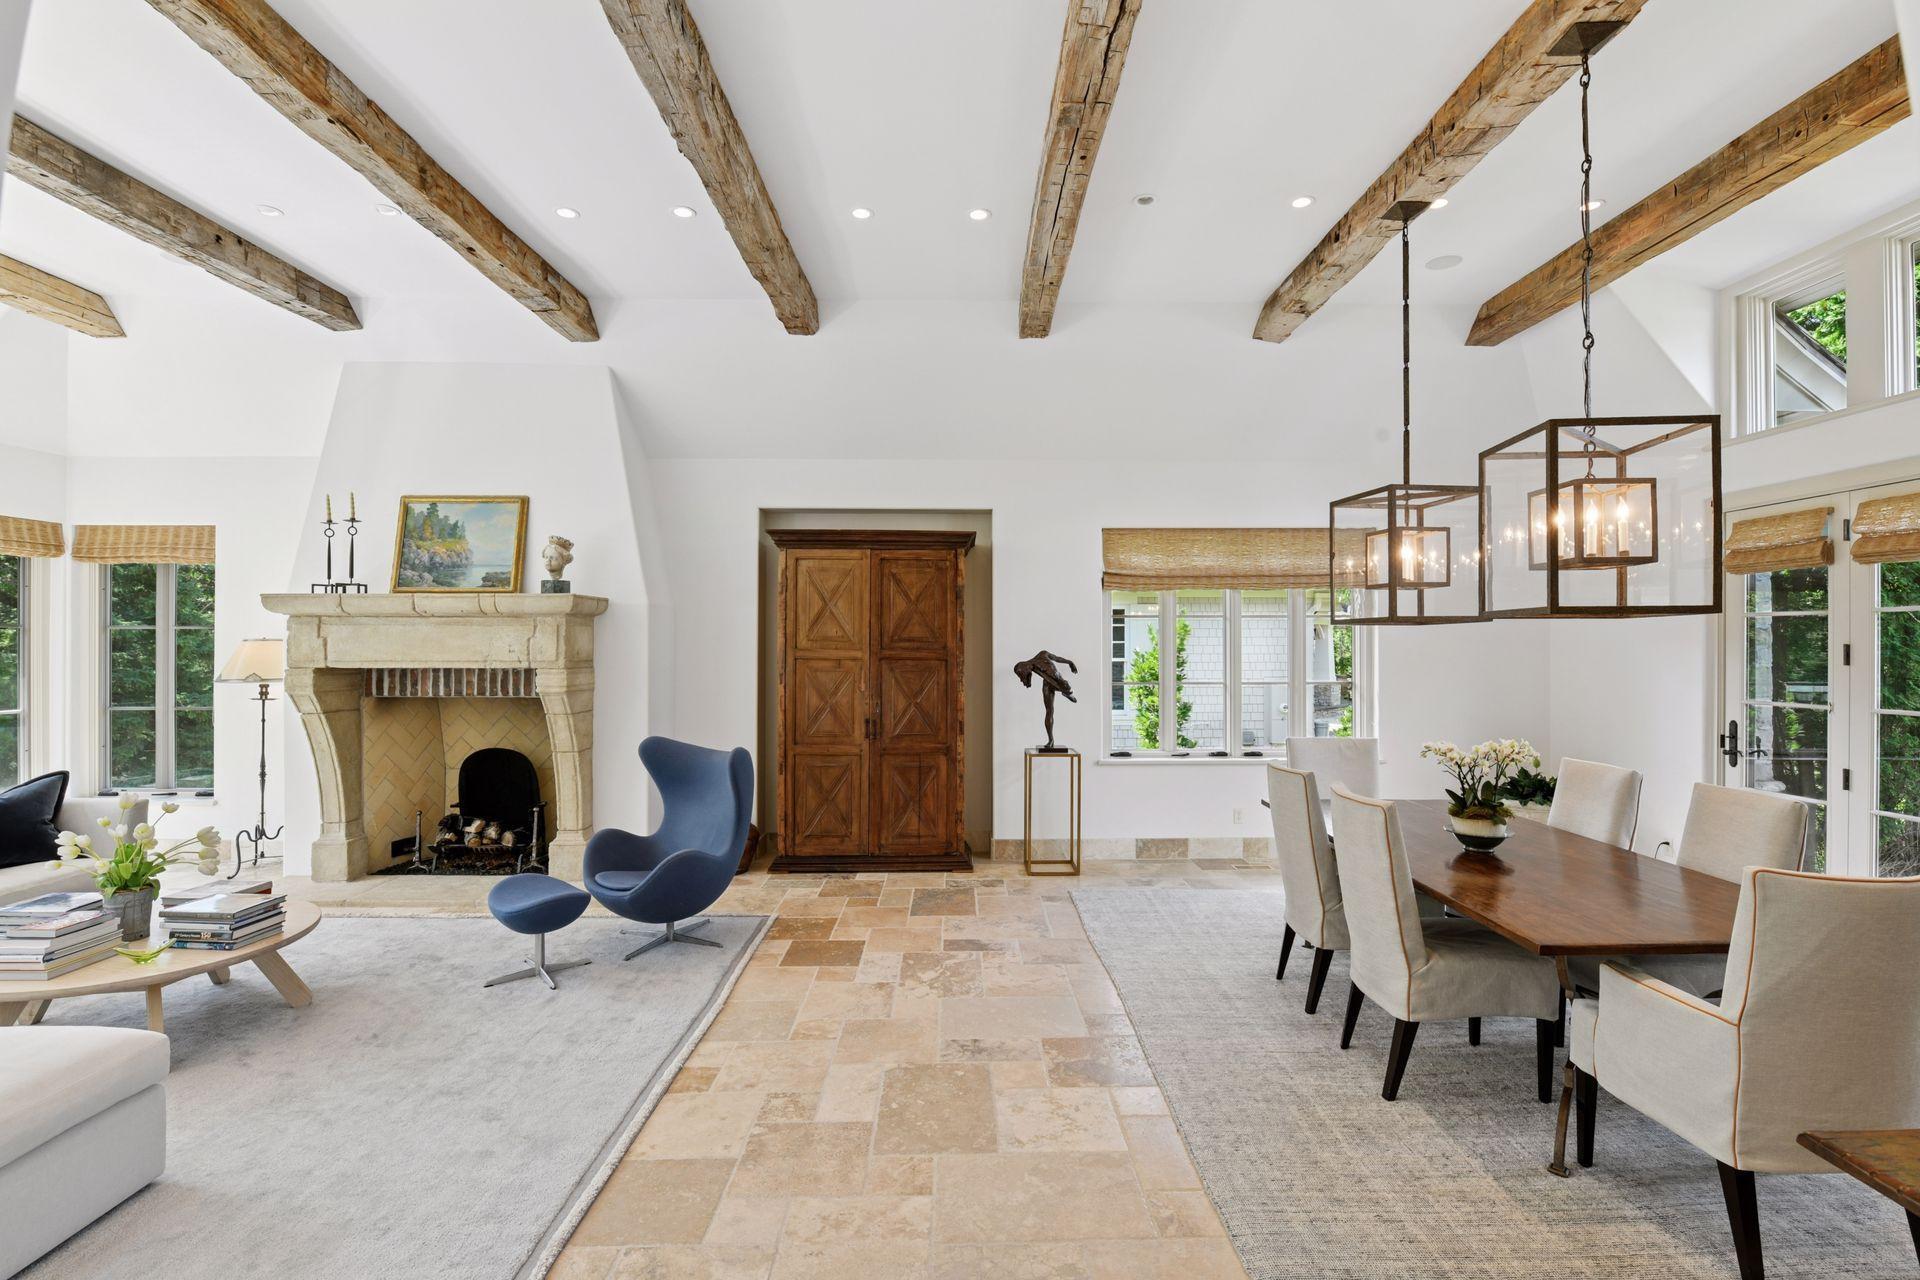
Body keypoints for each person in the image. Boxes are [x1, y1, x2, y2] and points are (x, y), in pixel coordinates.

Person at [1014, 650, 1078, 752]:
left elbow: (1057, 658)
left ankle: (1066, 692)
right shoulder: (1032, 667)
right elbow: (1027, 680)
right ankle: (1051, 740)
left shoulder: (1042, 654)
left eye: (1022, 674)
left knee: (1066, 685)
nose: (1023, 676)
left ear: (1025, 666)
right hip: (1047, 685)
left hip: (1059, 683)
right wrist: (1026, 680)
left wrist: (1070, 662)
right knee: (1049, 711)